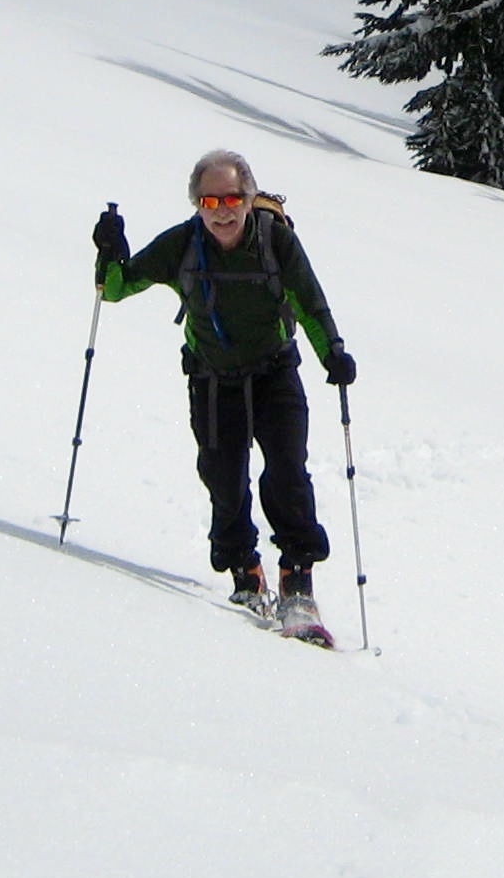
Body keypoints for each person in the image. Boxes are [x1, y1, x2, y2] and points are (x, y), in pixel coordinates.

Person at [93, 148, 357, 628]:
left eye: (232, 199)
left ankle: (297, 579)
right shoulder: (182, 246)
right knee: (223, 476)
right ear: (197, 203)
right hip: (212, 379)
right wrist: (110, 253)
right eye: (210, 202)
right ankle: (245, 574)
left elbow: (309, 301)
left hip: (274, 373)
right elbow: (114, 289)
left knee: (287, 471)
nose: (223, 211)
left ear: (249, 197)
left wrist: (332, 352)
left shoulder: (275, 242)